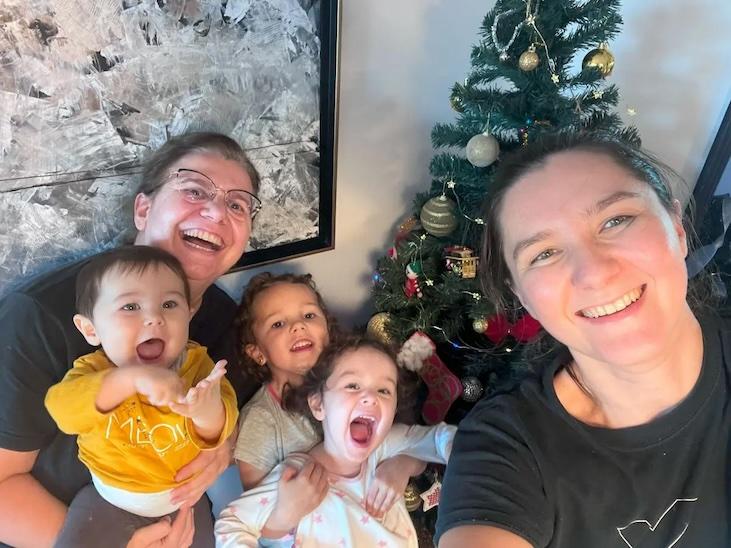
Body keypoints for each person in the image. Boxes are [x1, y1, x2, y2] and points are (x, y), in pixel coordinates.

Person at [436, 134, 731, 547]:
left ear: (677, 229)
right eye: (543, 254)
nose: (593, 272)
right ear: (524, 299)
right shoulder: (504, 449)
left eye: (616, 220)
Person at [0, 131, 262, 547]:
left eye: (237, 204)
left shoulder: (224, 319)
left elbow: (232, 413)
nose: (216, 212)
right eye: (195, 190)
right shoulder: (39, 316)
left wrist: (221, 444)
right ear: (143, 208)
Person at [45, 246, 239, 547]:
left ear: (190, 313)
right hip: (106, 503)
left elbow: (220, 429)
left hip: (183, 503)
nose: (154, 318)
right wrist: (127, 380)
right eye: (130, 307)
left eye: (169, 304)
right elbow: (62, 411)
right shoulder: (92, 371)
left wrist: (207, 411)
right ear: (90, 328)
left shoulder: (198, 366)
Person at [215, 335, 456, 547]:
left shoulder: (387, 445)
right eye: (352, 385)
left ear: (393, 411)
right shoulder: (296, 476)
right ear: (319, 405)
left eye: (384, 390)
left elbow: (439, 441)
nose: (370, 397)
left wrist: (478, 453)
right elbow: (232, 523)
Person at [234, 272, 425, 519]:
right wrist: (287, 513)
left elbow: (418, 447)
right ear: (257, 352)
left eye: (309, 315)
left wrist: (401, 466)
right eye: (278, 324)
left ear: (327, 328)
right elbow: (254, 521)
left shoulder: (366, 379)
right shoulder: (260, 422)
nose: (298, 326)